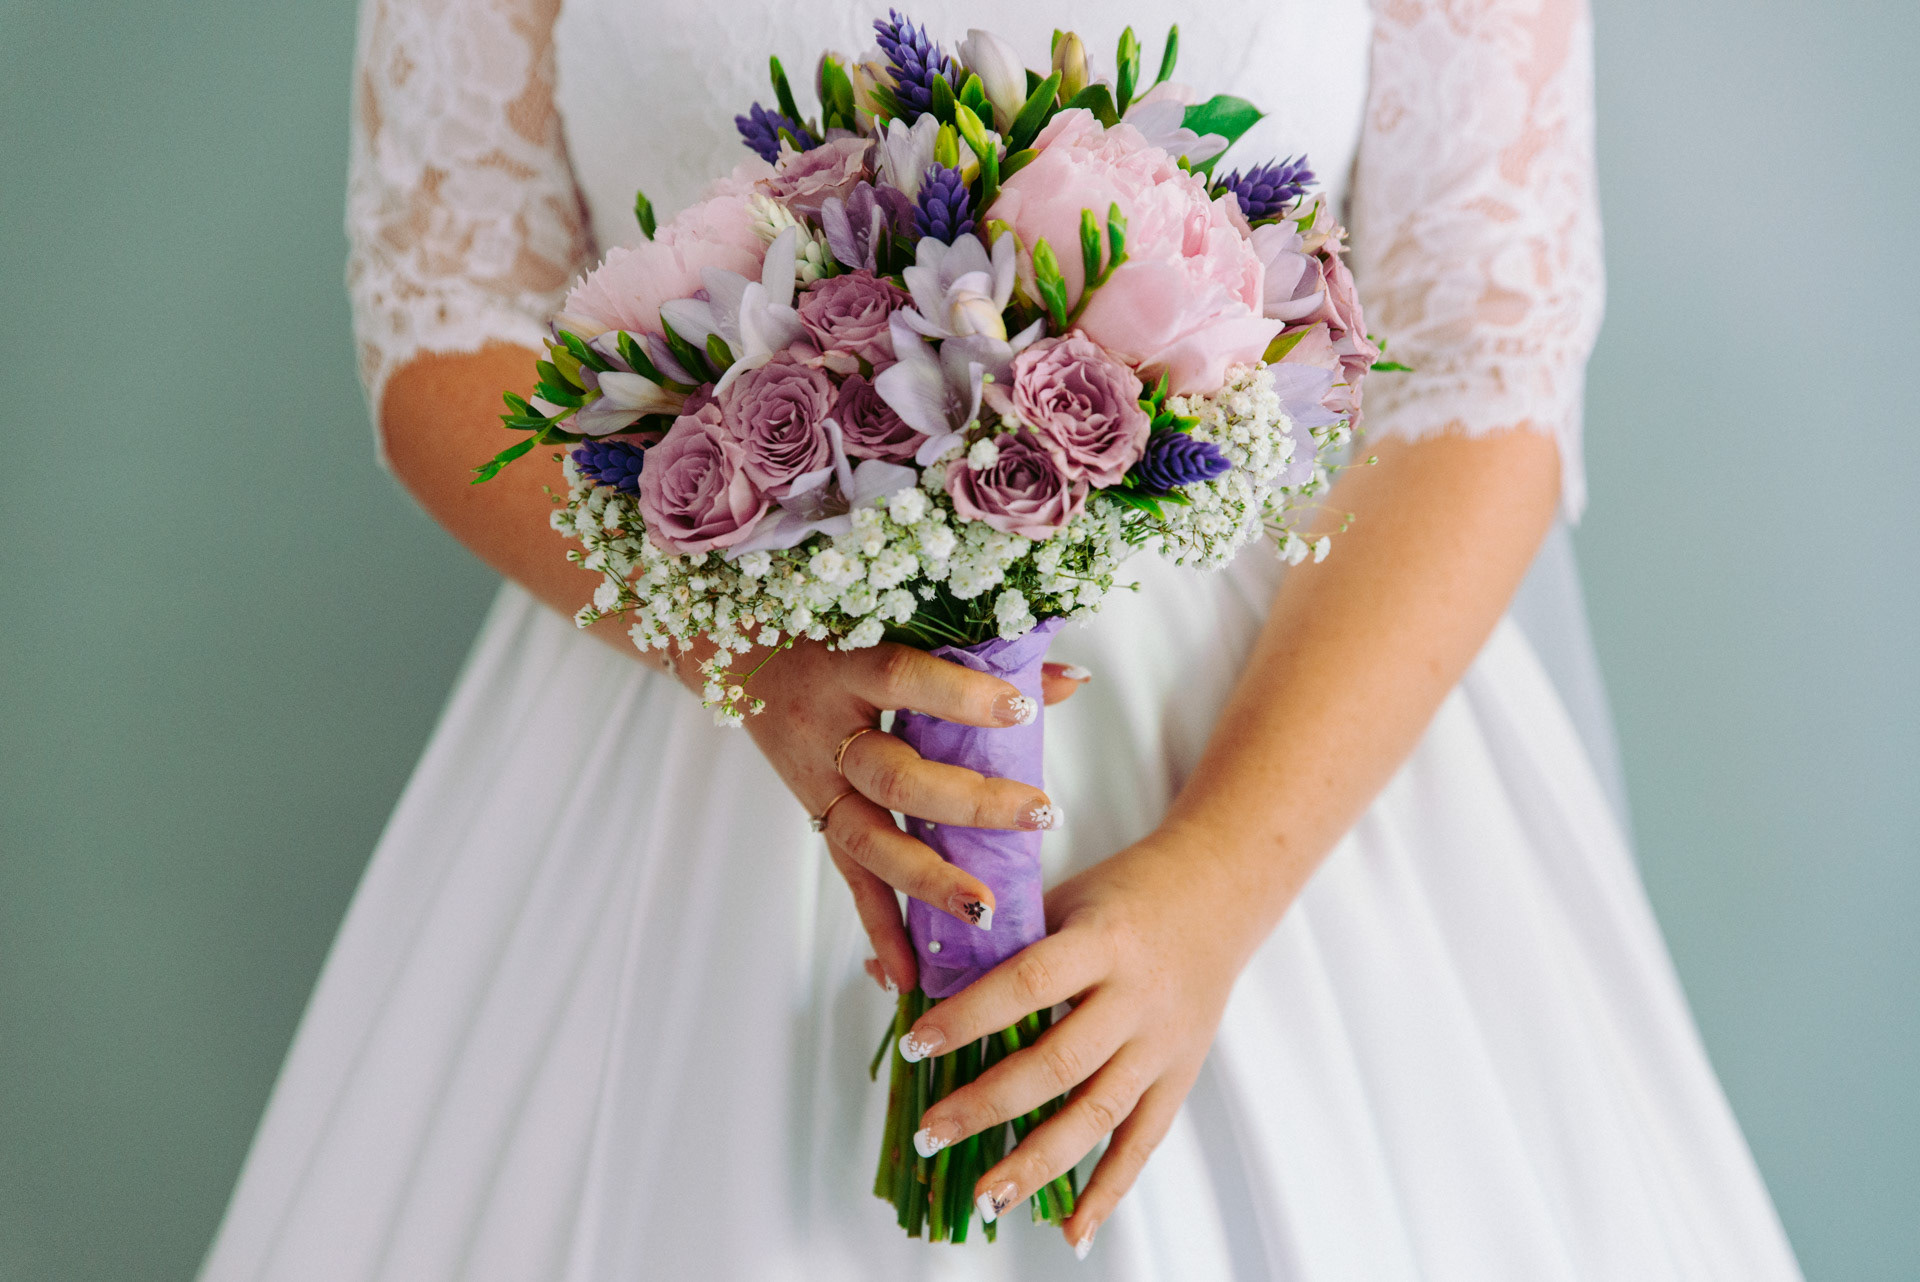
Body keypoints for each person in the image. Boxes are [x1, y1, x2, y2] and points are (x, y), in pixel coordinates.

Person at [201, 0, 1804, 1277]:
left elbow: (1481, 368)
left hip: (1276, 753)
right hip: (692, 706)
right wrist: (757, 664)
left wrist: (1219, 880)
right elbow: (442, 315)